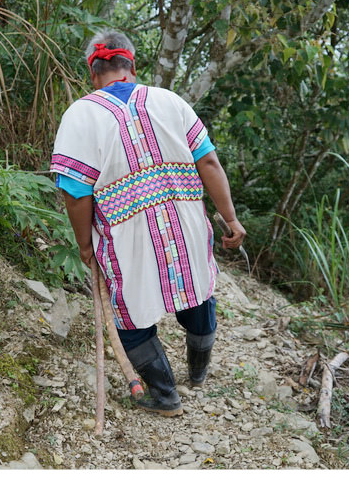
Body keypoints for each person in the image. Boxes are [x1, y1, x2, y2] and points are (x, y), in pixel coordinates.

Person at [49, 30, 245, 417]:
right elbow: (208, 162)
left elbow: (76, 193)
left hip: (126, 236)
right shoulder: (170, 102)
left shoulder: (81, 115)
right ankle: (198, 371)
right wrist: (230, 217)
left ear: (94, 73)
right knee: (197, 288)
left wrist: (85, 246)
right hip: (185, 222)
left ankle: (164, 395)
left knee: (129, 311)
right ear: (131, 67)